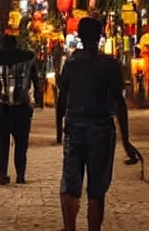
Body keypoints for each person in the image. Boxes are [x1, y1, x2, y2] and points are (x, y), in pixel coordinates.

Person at [56, 17, 141, 231]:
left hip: (75, 129)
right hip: (102, 131)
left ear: (80, 36)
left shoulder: (72, 62)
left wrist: (60, 131)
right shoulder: (110, 65)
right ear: (100, 35)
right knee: (96, 190)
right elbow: (119, 102)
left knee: (70, 185)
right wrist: (126, 140)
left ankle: (69, 228)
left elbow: (62, 98)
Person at [0, 34, 40, 185]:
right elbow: (35, 79)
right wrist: (37, 100)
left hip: (0, 106)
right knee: (21, 143)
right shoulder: (28, 58)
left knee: (0, 142)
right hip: (21, 105)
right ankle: (20, 175)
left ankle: (3, 174)